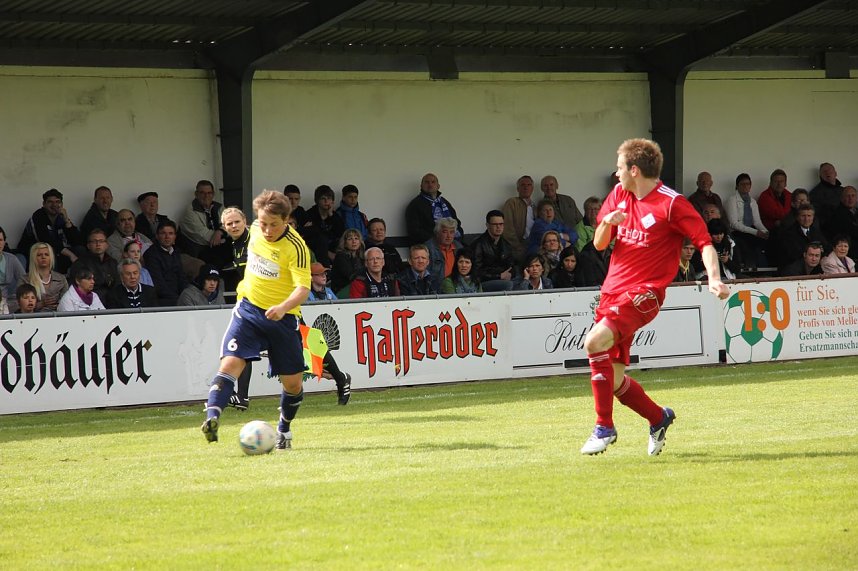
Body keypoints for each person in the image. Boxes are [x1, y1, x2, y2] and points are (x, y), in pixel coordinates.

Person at [580, 138, 729, 457]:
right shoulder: (619, 194)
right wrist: (607, 221)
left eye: (619, 167)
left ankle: (604, 427)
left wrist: (714, 278)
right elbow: (598, 244)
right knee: (617, 382)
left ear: (634, 170)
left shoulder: (672, 204)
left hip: (643, 294)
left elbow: (704, 243)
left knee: (593, 343)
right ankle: (658, 417)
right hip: (612, 291)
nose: (616, 173)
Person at [201, 189, 312, 449]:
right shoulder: (253, 231)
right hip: (249, 310)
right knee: (229, 365)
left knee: (293, 384)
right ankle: (212, 418)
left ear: (287, 220)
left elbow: (303, 289)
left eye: (274, 224)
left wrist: (283, 307)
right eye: (262, 223)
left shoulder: (296, 247)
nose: (267, 230)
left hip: (282, 318)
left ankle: (283, 429)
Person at [219, 206, 252, 410]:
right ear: (224, 227)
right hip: (253, 302)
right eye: (229, 223)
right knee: (240, 345)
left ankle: (339, 377)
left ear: (245, 221)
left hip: (273, 300)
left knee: (304, 344)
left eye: (236, 222)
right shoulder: (235, 245)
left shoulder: (255, 239)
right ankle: (242, 397)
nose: (233, 225)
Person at [17, 188, 80, 273]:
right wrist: (70, 254)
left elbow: (76, 240)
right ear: (44, 204)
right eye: (50, 202)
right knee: (49, 252)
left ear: (61, 204)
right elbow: (45, 241)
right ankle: (53, 283)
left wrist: (66, 220)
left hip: (58, 250)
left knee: (80, 250)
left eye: (57, 202)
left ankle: (80, 282)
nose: (54, 205)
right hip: (32, 251)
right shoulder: (38, 216)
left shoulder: (61, 217)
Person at [179, 180, 231, 266]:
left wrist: (220, 232)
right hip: (201, 249)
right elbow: (205, 236)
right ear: (196, 194)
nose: (206, 196)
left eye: (209, 193)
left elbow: (231, 223)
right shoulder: (190, 212)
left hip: (221, 244)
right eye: (202, 193)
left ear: (213, 194)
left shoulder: (219, 207)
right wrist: (225, 235)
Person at [724, 173, 769, 268]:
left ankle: (765, 268)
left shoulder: (752, 202)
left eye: (747, 184)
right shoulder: (732, 200)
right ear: (737, 186)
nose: (745, 186)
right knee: (748, 243)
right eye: (742, 184)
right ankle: (750, 268)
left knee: (769, 240)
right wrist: (755, 232)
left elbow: (757, 222)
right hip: (737, 232)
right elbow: (734, 224)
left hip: (751, 231)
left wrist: (765, 232)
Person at [405, 173, 464, 245]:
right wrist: (437, 239)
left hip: (453, 242)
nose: (430, 185)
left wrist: (459, 234)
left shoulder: (445, 202)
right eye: (427, 182)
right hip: (429, 245)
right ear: (421, 186)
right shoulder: (415, 205)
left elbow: (456, 222)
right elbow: (414, 231)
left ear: (438, 186)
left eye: (433, 182)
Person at [469, 210, 516, 292]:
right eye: (495, 224)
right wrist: (499, 276)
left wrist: (510, 274)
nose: (498, 227)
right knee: (509, 285)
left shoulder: (506, 244)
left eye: (501, 224)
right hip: (484, 282)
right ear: (487, 225)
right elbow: (476, 272)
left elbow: (512, 265)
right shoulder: (478, 244)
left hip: (503, 279)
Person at [143, 220, 188, 306]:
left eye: (171, 233)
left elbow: (181, 277)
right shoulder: (151, 254)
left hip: (179, 297)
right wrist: (178, 299)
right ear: (157, 236)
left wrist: (186, 294)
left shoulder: (176, 252)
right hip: (162, 299)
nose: (167, 237)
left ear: (175, 236)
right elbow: (158, 284)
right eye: (163, 233)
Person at [67, 229, 118, 299]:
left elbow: (117, 284)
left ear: (107, 245)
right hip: (90, 301)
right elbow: (77, 288)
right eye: (94, 241)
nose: (98, 244)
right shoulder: (80, 263)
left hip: (112, 301)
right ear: (88, 245)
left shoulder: (113, 263)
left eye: (101, 241)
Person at [18, 242, 69, 312]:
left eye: (47, 254)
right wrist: (41, 304)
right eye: (39, 255)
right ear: (33, 258)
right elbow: (19, 304)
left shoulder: (61, 278)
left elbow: (67, 302)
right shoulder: (25, 279)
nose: (43, 257)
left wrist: (58, 305)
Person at [303, 185, 345, 263]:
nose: (326, 202)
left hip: (334, 249)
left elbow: (341, 233)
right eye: (323, 199)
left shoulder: (335, 216)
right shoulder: (309, 215)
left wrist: (331, 215)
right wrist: (328, 253)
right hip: (315, 252)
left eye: (329, 199)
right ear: (317, 200)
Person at [778, 204, 829, 268]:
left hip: (815, 268)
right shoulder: (788, 234)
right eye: (803, 216)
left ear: (813, 217)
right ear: (797, 217)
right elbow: (793, 254)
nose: (806, 219)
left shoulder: (816, 232)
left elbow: (826, 248)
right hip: (794, 269)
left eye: (809, 216)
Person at [501, 175, 536, 264]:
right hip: (518, 244)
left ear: (532, 188)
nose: (526, 187)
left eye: (529, 185)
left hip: (534, 243)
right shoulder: (512, 203)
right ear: (518, 189)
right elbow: (507, 228)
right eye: (523, 185)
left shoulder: (535, 207)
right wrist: (518, 246)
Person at [425, 217, 462, 285]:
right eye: (445, 232)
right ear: (437, 233)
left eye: (452, 232)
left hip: (458, 286)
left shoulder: (458, 247)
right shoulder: (428, 249)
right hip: (438, 289)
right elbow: (426, 277)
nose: (449, 236)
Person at [330, 228, 365, 295]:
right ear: (345, 243)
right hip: (342, 290)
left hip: (356, 288)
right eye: (350, 239)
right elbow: (351, 276)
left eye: (356, 238)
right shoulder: (340, 257)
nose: (354, 241)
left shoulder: (361, 257)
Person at [0, 226, 26, 312]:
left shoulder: (11, 259)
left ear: (4, 242)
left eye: (0, 240)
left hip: (8, 302)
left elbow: (24, 280)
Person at [809, 162, 843, 229]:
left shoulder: (844, 190)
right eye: (824, 171)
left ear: (835, 173)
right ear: (820, 176)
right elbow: (815, 216)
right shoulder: (815, 193)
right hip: (830, 228)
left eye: (829, 170)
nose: (827, 172)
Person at [757, 169, 792, 233]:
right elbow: (778, 214)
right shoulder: (764, 197)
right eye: (776, 181)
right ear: (770, 183)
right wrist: (792, 217)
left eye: (781, 181)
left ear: (785, 183)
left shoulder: (789, 195)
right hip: (771, 232)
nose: (779, 184)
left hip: (788, 228)